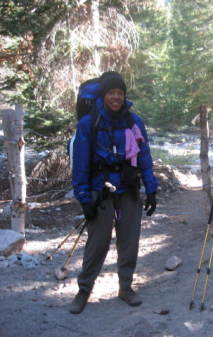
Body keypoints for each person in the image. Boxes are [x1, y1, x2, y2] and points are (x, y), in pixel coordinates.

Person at [69, 71, 158, 314]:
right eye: (112, 93)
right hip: (101, 191)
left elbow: (145, 157)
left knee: (129, 240)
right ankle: (84, 290)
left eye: (120, 93)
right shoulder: (89, 123)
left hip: (129, 189)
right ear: (104, 95)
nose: (116, 97)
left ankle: (125, 288)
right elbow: (80, 164)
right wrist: (84, 198)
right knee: (97, 243)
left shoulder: (134, 121)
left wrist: (151, 189)